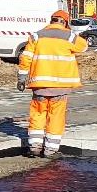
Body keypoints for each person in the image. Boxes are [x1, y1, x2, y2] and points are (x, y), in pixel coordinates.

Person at [17, 9, 88, 157]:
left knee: (37, 114)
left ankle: (34, 147)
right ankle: (50, 150)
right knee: (56, 117)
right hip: (60, 87)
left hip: (40, 85)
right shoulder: (69, 36)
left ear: (51, 20)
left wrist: (22, 78)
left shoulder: (37, 36)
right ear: (65, 22)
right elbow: (84, 46)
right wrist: (71, 33)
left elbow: (26, 58)